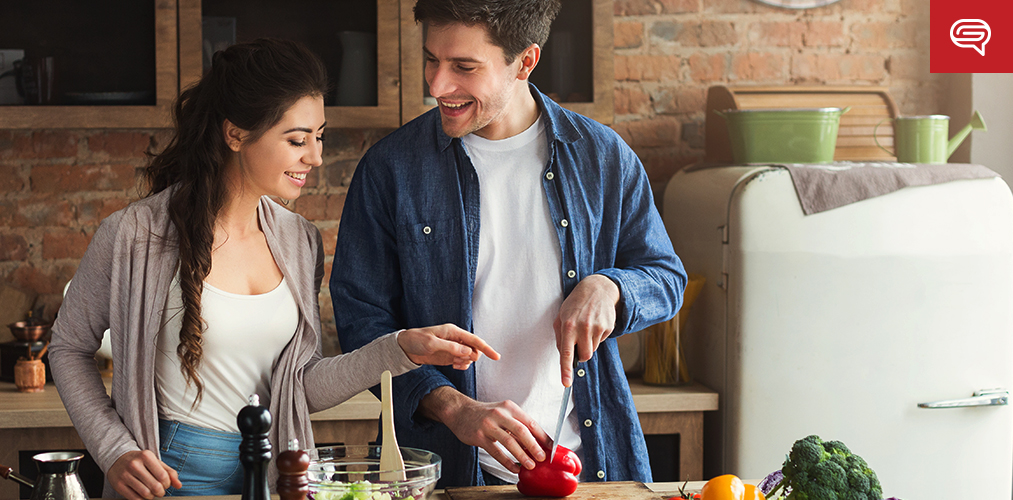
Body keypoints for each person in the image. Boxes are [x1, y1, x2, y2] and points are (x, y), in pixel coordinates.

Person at [49, 38, 498, 500]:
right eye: (297, 139)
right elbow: (67, 348)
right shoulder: (134, 235)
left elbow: (299, 387)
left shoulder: (299, 241)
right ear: (236, 134)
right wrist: (113, 449)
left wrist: (400, 348)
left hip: (274, 476)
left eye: (319, 136)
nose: (316, 157)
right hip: (172, 478)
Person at [330, 0, 687, 488]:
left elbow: (666, 277)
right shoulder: (390, 169)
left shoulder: (602, 157)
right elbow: (362, 325)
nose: (436, 85)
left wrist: (611, 287)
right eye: (432, 59)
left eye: (464, 67)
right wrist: (454, 407)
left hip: (589, 467)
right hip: (445, 474)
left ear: (525, 62)